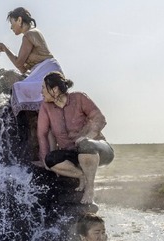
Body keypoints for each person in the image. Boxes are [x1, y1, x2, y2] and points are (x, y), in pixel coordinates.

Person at [37, 71, 114, 204]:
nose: (41, 92)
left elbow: (100, 119)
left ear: (54, 89)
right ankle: (82, 176)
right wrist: (44, 159)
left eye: (44, 88)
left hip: (98, 149)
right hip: (73, 153)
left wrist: (87, 137)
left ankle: (90, 189)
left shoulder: (79, 98)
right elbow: (42, 134)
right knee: (50, 159)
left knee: (85, 145)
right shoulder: (46, 107)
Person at [0, 7, 63, 118]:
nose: (11, 27)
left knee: (16, 89)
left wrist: (5, 48)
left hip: (48, 72)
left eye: (12, 22)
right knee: (20, 89)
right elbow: (23, 69)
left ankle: (21, 133)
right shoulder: (32, 33)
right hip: (47, 71)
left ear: (19, 20)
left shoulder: (29, 35)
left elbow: (18, 63)